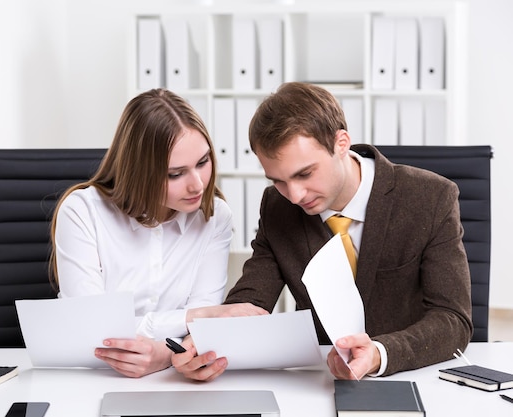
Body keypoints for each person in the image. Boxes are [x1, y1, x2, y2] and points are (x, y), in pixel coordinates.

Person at [171, 82, 473, 381]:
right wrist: (209, 344)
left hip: (412, 375)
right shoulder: (278, 205)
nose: (295, 194)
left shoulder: (430, 197)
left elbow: (453, 319)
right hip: (322, 378)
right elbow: (250, 301)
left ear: (341, 143)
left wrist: (379, 353)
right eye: (278, 180)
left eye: (305, 173)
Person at [49, 88, 242, 378]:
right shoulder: (82, 212)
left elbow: (203, 328)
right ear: (139, 171)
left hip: (174, 381)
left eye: (203, 162)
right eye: (175, 174)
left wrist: (165, 354)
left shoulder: (215, 216)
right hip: (90, 377)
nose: (198, 185)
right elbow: (93, 328)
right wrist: (190, 317)